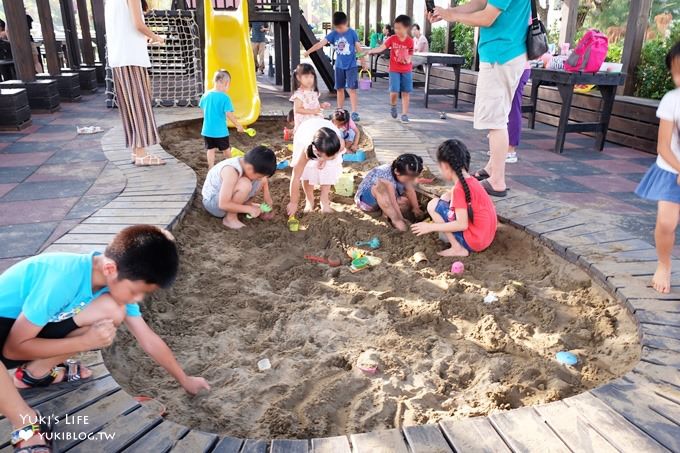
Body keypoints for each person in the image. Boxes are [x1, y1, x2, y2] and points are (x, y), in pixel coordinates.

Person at [0, 225, 210, 396]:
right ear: (110, 269)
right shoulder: (62, 279)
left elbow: (147, 337)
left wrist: (184, 379)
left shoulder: (114, 278)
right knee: (109, 313)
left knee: (112, 311)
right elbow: (12, 349)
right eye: (135, 291)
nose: (137, 299)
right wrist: (84, 342)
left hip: (26, 330)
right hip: (6, 336)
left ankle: (33, 375)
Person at [429, 0, 529, 197]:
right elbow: (481, 2)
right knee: (499, 117)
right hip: (506, 54)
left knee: (495, 121)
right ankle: (493, 169)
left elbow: (486, 17)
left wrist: (453, 16)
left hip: (500, 55)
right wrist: (448, 12)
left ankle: (497, 180)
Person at [635, 42, 680, 294]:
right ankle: (664, 264)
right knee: (666, 223)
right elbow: (663, 146)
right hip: (671, 170)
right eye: (677, 72)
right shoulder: (672, 100)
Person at [105, 0, 166, 166]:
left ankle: (136, 151)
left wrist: (146, 36)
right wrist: (157, 37)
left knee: (130, 106)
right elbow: (138, 24)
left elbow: (126, 26)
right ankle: (141, 154)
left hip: (119, 58)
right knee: (139, 104)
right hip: (131, 57)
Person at [412, 140, 498, 257]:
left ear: (445, 166)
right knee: (443, 199)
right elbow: (454, 195)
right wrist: (447, 197)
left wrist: (429, 227)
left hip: (475, 242)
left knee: (433, 205)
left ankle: (457, 248)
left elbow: (462, 225)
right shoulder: (471, 180)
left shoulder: (459, 189)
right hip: (486, 238)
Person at [303, 11, 367, 122]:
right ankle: (339, 110)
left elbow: (359, 48)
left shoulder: (352, 33)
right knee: (339, 89)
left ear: (346, 23)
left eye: (341, 28)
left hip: (351, 66)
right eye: (337, 28)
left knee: (352, 89)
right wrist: (308, 51)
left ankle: (355, 112)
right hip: (339, 66)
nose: (339, 30)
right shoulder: (333, 34)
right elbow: (320, 44)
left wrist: (363, 62)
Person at [202, 146, 276, 229]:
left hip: (227, 199)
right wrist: (249, 209)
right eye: (259, 176)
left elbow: (263, 179)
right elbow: (223, 204)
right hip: (214, 204)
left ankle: (246, 204)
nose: (260, 178)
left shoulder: (249, 164)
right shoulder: (231, 171)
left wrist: (267, 197)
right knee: (245, 184)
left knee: (259, 180)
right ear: (249, 168)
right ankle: (230, 218)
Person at [287, 119, 344, 215]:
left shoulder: (339, 144)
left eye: (331, 157)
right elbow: (296, 176)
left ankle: (324, 200)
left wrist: (325, 160)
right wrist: (293, 202)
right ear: (317, 152)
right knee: (308, 172)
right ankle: (309, 199)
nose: (330, 159)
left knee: (328, 171)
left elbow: (331, 157)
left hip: (327, 134)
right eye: (325, 157)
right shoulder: (306, 150)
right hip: (306, 130)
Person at [355, 154, 424, 231]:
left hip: (388, 197)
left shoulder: (403, 173)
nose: (412, 180)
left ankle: (392, 215)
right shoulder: (384, 178)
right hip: (367, 202)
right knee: (381, 188)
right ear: (396, 172)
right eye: (409, 178)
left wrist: (416, 208)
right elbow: (390, 202)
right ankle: (388, 217)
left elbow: (409, 190)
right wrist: (398, 220)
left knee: (404, 202)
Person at [367, 15, 415, 123]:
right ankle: (393, 106)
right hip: (394, 69)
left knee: (406, 92)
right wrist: (372, 50)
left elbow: (410, 55)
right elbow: (382, 47)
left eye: (399, 28)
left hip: (406, 70)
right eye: (395, 28)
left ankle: (404, 114)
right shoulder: (392, 39)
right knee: (394, 91)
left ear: (406, 28)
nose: (396, 30)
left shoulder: (410, 41)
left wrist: (406, 60)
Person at [199, 70, 245, 169]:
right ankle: (231, 165)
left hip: (207, 129)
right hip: (220, 131)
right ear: (225, 83)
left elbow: (202, 110)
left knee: (210, 149)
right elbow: (229, 114)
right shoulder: (225, 98)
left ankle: (211, 168)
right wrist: (237, 125)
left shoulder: (205, 95)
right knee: (226, 150)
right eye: (228, 85)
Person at [289, 63, 331, 131]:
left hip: (315, 118)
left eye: (311, 77)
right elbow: (297, 109)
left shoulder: (313, 92)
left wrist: (321, 106)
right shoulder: (299, 94)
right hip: (305, 122)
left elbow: (313, 104)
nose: (309, 79)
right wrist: (313, 111)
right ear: (298, 77)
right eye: (306, 77)